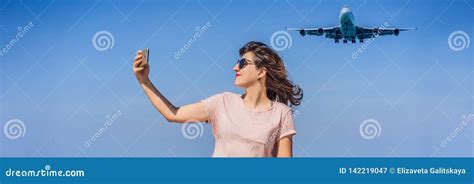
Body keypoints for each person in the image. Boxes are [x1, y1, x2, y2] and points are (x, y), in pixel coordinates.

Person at [132, 41, 303, 157]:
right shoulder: (222, 102)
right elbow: (173, 114)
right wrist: (144, 80)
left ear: (261, 72)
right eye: (237, 62)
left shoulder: (281, 113)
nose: (235, 67)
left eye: (243, 63)